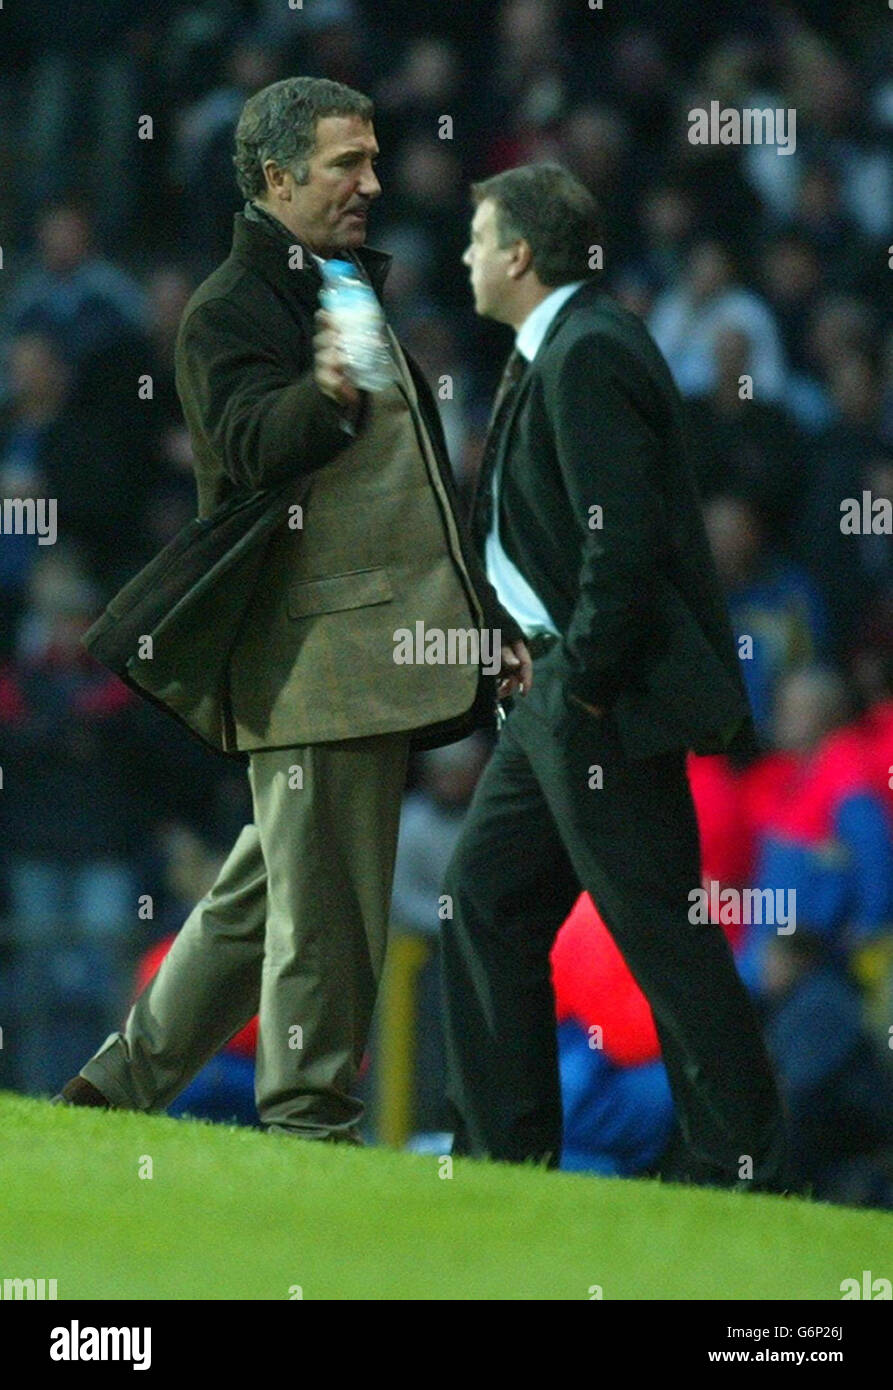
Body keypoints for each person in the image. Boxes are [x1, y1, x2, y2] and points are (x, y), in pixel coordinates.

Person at [56, 75, 529, 1142]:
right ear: (276, 179)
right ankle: (310, 1128)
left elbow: (415, 507)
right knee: (328, 920)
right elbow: (254, 448)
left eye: (370, 159)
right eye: (344, 164)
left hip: (362, 652)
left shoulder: (340, 286)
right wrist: (322, 398)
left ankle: (106, 1097)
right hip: (320, 657)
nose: (370, 181)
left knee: (261, 902)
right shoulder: (232, 306)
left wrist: (483, 625)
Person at [441, 162, 791, 1191]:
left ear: (517, 253)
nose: (462, 256)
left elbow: (620, 542)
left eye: (476, 237)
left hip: (599, 700)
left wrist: (580, 676)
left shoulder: (587, 350)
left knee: (658, 928)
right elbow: (555, 537)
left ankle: (746, 1165)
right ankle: (504, 1162)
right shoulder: (559, 346)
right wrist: (522, 636)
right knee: (484, 898)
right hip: (557, 686)